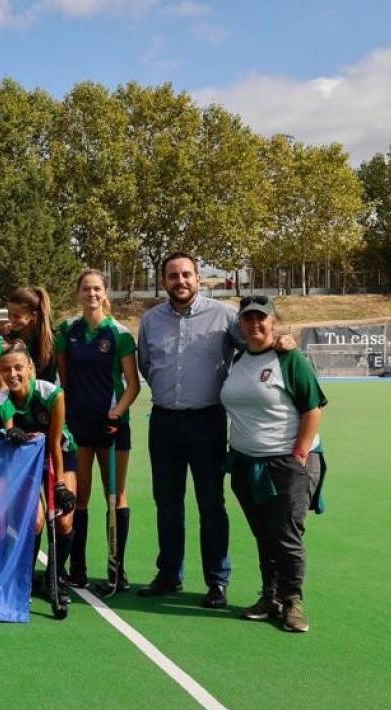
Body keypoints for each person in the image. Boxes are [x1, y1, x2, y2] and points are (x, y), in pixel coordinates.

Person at [137, 252, 249, 607]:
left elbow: (252, 348)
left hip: (208, 422)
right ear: (163, 281)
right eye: (173, 276)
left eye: (186, 274)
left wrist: (283, 341)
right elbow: (146, 365)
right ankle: (170, 573)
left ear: (198, 278)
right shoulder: (150, 320)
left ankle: (217, 580)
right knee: (167, 504)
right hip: (164, 422)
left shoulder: (225, 316)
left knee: (211, 505)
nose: (180, 281)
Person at [220, 296, 326, 633]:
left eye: (261, 318)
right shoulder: (238, 360)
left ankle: (292, 601)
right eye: (248, 319)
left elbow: (313, 408)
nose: (255, 324)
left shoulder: (290, 359)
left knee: (286, 536)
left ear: (273, 322)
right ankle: (271, 596)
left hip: (286, 463)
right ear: (240, 324)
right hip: (245, 462)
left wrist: (299, 453)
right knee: (264, 534)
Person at [56, 270, 140, 590]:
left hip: (112, 425)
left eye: (97, 288)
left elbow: (132, 385)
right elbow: (64, 380)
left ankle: (116, 571)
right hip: (78, 425)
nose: (91, 293)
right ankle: (78, 569)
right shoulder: (68, 330)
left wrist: (116, 413)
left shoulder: (119, 334)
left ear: (105, 292)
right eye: (85, 288)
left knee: (114, 495)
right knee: (80, 497)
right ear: (78, 293)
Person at [0, 343, 78, 596]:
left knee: (64, 521)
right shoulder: (2, 401)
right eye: (6, 369)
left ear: (30, 367)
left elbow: (54, 442)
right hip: (27, 462)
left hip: (58, 455)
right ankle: (27, 576)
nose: (13, 374)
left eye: (19, 367)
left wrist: (60, 485)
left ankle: (55, 575)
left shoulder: (52, 394)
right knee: (35, 521)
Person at [5, 287, 58, 384]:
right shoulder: (8, 336)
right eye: (9, 314)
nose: (11, 320)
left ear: (33, 315)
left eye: (17, 316)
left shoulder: (52, 339)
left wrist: (23, 353)